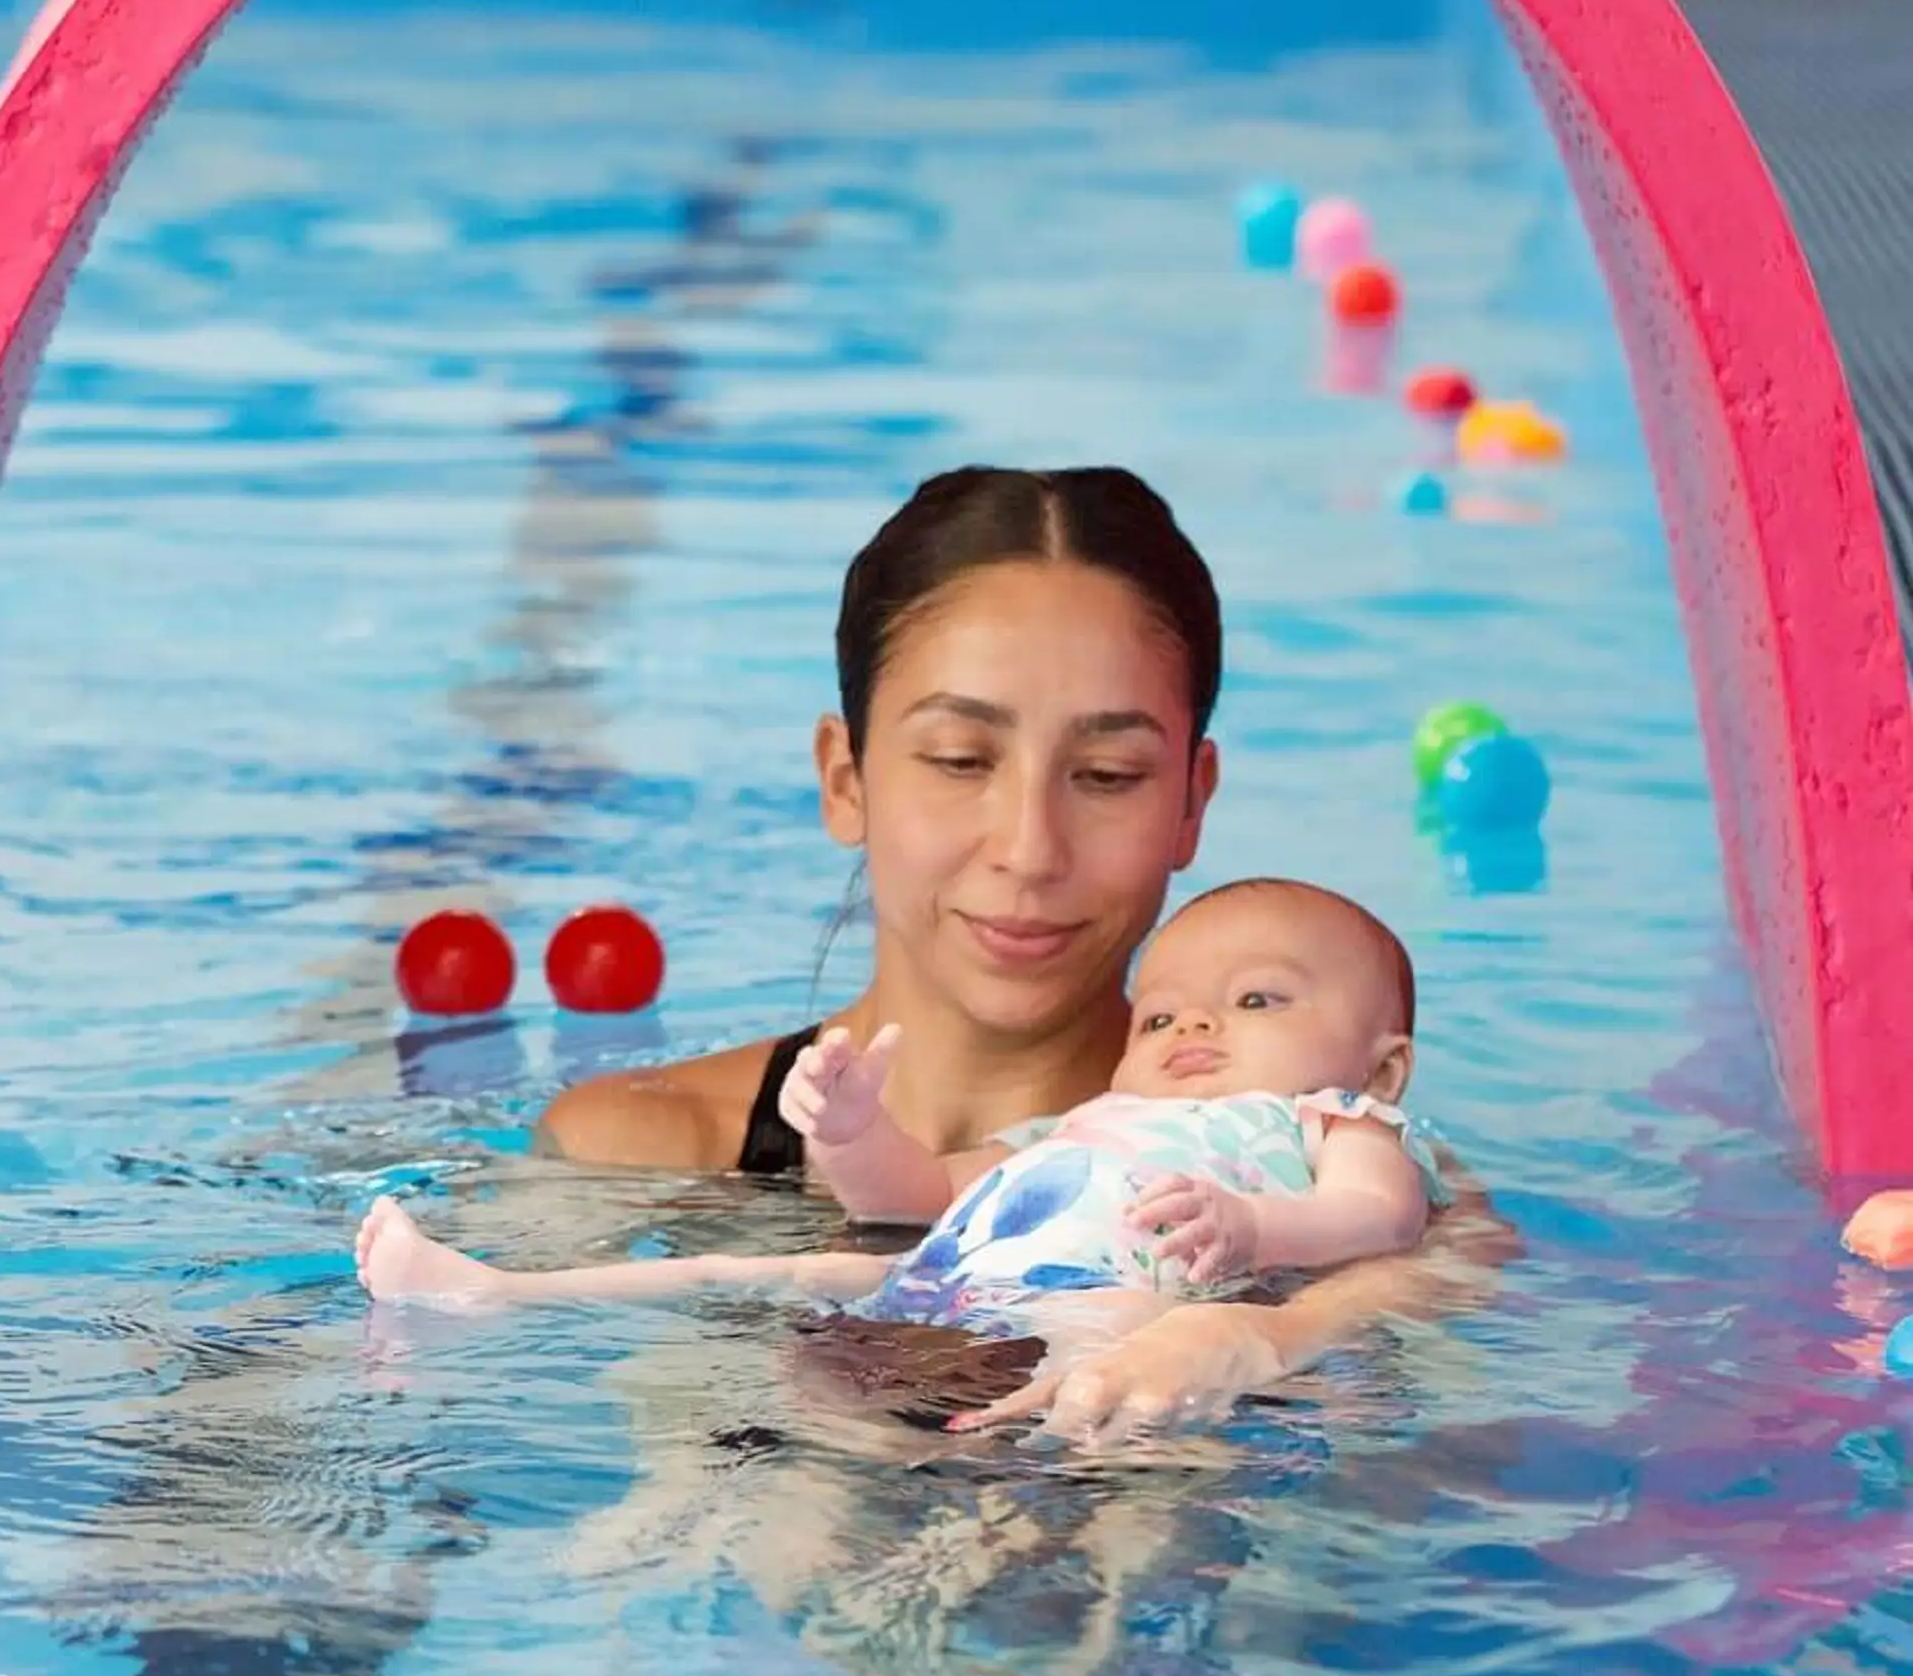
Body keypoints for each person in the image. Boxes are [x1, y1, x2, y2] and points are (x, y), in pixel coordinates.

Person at [524, 464, 1511, 1441]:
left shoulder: (1356, 1192)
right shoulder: (630, 1150)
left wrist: (1273, 1330)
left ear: (1190, 801)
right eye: (960, 759)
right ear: (845, 778)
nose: (1029, 851)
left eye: (1106, 773)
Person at [357, 878, 1449, 1407]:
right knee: (769, 1267)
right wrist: (848, 1127)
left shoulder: (1325, 1122)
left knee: (1089, 1374)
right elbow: (916, 1192)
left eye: (1255, 998)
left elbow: (1379, 1213)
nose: (1193, 1027)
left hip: (1120, 1299)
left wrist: (1256, 1221)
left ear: (1383, 1064)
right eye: (1156, 1017)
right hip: (951, 1270)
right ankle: (495, 1292)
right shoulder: (1082, 1128)